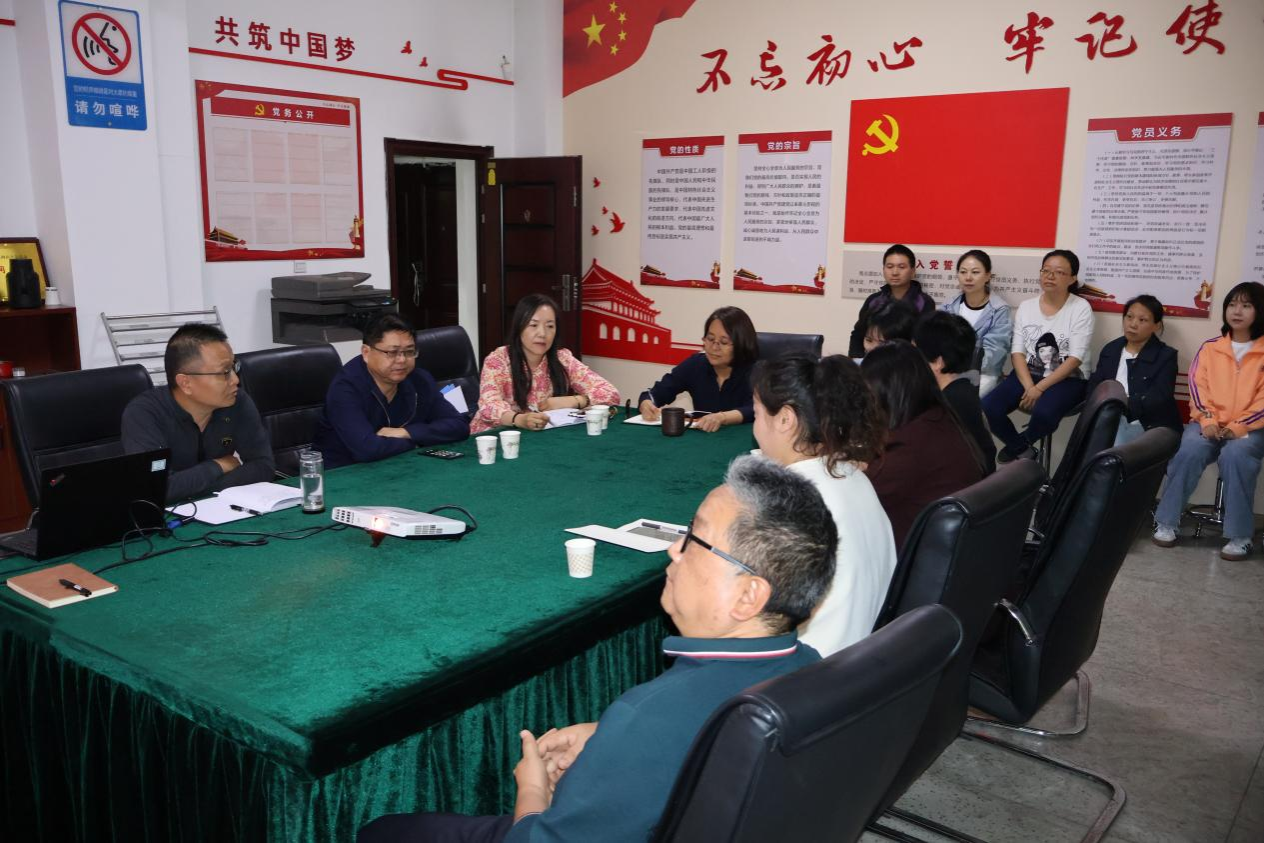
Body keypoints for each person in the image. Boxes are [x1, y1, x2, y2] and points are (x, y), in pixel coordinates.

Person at [357, 456, 836, 843]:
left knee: (385, 831)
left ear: (748, 595)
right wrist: (610, 741)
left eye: (694, 539)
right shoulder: (813, 670)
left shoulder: (650, 716)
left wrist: (533, 790)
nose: (674, 550)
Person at [750, 353, 896, 655]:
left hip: (812, 667)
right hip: (867, 655)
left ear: (785, 419)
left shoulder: (792, 502)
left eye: (756, 414)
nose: (755, 427)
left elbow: (756, 610)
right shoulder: (853, 474)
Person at [1153, 282, 1264, 561]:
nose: (1237, 311)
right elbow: (1197, 388)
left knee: (1236, 456)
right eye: (1232, 305)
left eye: (1246, 305)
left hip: (1250, 428)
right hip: (1208, 422)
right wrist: (1208, 419)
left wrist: (1238, 427)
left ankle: (1240, 536)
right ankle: (1166, 522)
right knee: (1189, 450)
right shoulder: (1211, 348)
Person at [121, 323, 274, 503]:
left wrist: (191, 488)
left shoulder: (237, 401)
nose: (235, 380)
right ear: (185, 383)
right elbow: (156, 488)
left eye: (234, 367)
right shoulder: (144, 414)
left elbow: (264, 467)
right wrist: (218, 466)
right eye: (224, 372)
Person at [861, 341, 985, 549]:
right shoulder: (939, 417)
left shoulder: (909, 445)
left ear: (887, 394)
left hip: (907, 555)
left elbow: (859, 495)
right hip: (947, 549)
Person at [313, 314, 470, 469]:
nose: (402, 360)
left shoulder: (419, 379)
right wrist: (418, 442)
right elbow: (367, 450)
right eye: (392, 353)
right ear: (366, 353)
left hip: (400, 466)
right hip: (343, 474)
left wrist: (406, 432)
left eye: (409, 351)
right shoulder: (345, 388)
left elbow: (459, 426)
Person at [981, 249, 1094, 463]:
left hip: (1069, 377)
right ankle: (1022, 449)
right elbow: (1017, 352)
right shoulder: (1027, 307)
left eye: (1059, 272)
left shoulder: (1080, 308)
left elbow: (1075, 358)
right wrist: (1029, 386)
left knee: (1044, 413)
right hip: (1029, 373)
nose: (1050, 276)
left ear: (1072, 278)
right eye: (1046, 271)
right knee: (989, 407)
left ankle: (1023, 442)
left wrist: (1039, 388)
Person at [472, 294, 620, 434]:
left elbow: (610, 393)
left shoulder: (562, 358)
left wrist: (574, 400)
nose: (542, 333)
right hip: (496, 436)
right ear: (519, 327)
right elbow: (489, 407)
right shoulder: (498, 360)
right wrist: (519, 419)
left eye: (550, 326)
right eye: (533, 325)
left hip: (543, 436)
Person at [639, 306, 758, 432]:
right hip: (702, 438)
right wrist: (647, 403)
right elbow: (657, 392)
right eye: (710, 339)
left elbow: (756, 409)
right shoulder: (696, 364)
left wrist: (722, 417)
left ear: (741, 344)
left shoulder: (757, 371)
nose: (714, 347)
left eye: (723, 342)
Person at [1085, 294, 1180, 446]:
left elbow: (1159, 398)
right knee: (1084, 442)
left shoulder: (1166, 356)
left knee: (1113, 442)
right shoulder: (1111, 349)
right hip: (1107, 416)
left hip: (1148, 424)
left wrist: (1120, 407)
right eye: (1129, 317)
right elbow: (1095, 386)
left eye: (1142, 320)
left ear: (1156, 326)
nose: (1133, 324)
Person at [914, 312, 998, 474]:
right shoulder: (961, 389)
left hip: (964, 483)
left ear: (938, 362)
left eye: (917, 351)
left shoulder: (952, 401)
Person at [940, 249, 1013, 396]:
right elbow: (938, 342)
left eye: (975, 272)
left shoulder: (999, 310)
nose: (968, 277)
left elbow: (994, 354)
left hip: (983, 373)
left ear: (987, 276)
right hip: (949, 370)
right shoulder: (948, 306)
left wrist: (960, 363)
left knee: (960, 400)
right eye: (963, 272)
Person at [847, 244, 935, 358]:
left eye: (901, 267)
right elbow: (858, 334)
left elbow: (925, 340)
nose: (895, 272)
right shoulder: (874, 300)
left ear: (913, 271)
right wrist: (857, 361)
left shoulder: (924, 302)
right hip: (872, 361)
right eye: (889, 266)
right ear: (883, 270)